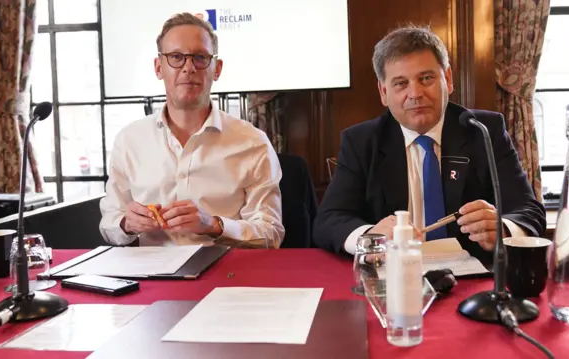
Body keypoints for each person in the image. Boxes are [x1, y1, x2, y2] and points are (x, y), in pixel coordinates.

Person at [312, 25, 546, 265]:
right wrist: (371, 238)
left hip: (473, 280)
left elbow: (528, 210)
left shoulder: (483, 130)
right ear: (384, 92)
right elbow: (329, 220)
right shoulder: (362, 141)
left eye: (426, 78)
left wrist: (502, 229)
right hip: (392, 277)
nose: (415, 93)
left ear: (448, 79)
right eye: (401, 84)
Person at [99, 13, 284, 248]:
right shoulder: (129, 140)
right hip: (154, 278)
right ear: (158, 68)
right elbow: (109, 224)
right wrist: (127, 224)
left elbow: (271, 234)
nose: (188, 68)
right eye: (176, 57)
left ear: (216, 69)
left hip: (227, 276)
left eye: (199, 57)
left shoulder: (253, 142)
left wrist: (214, 224)